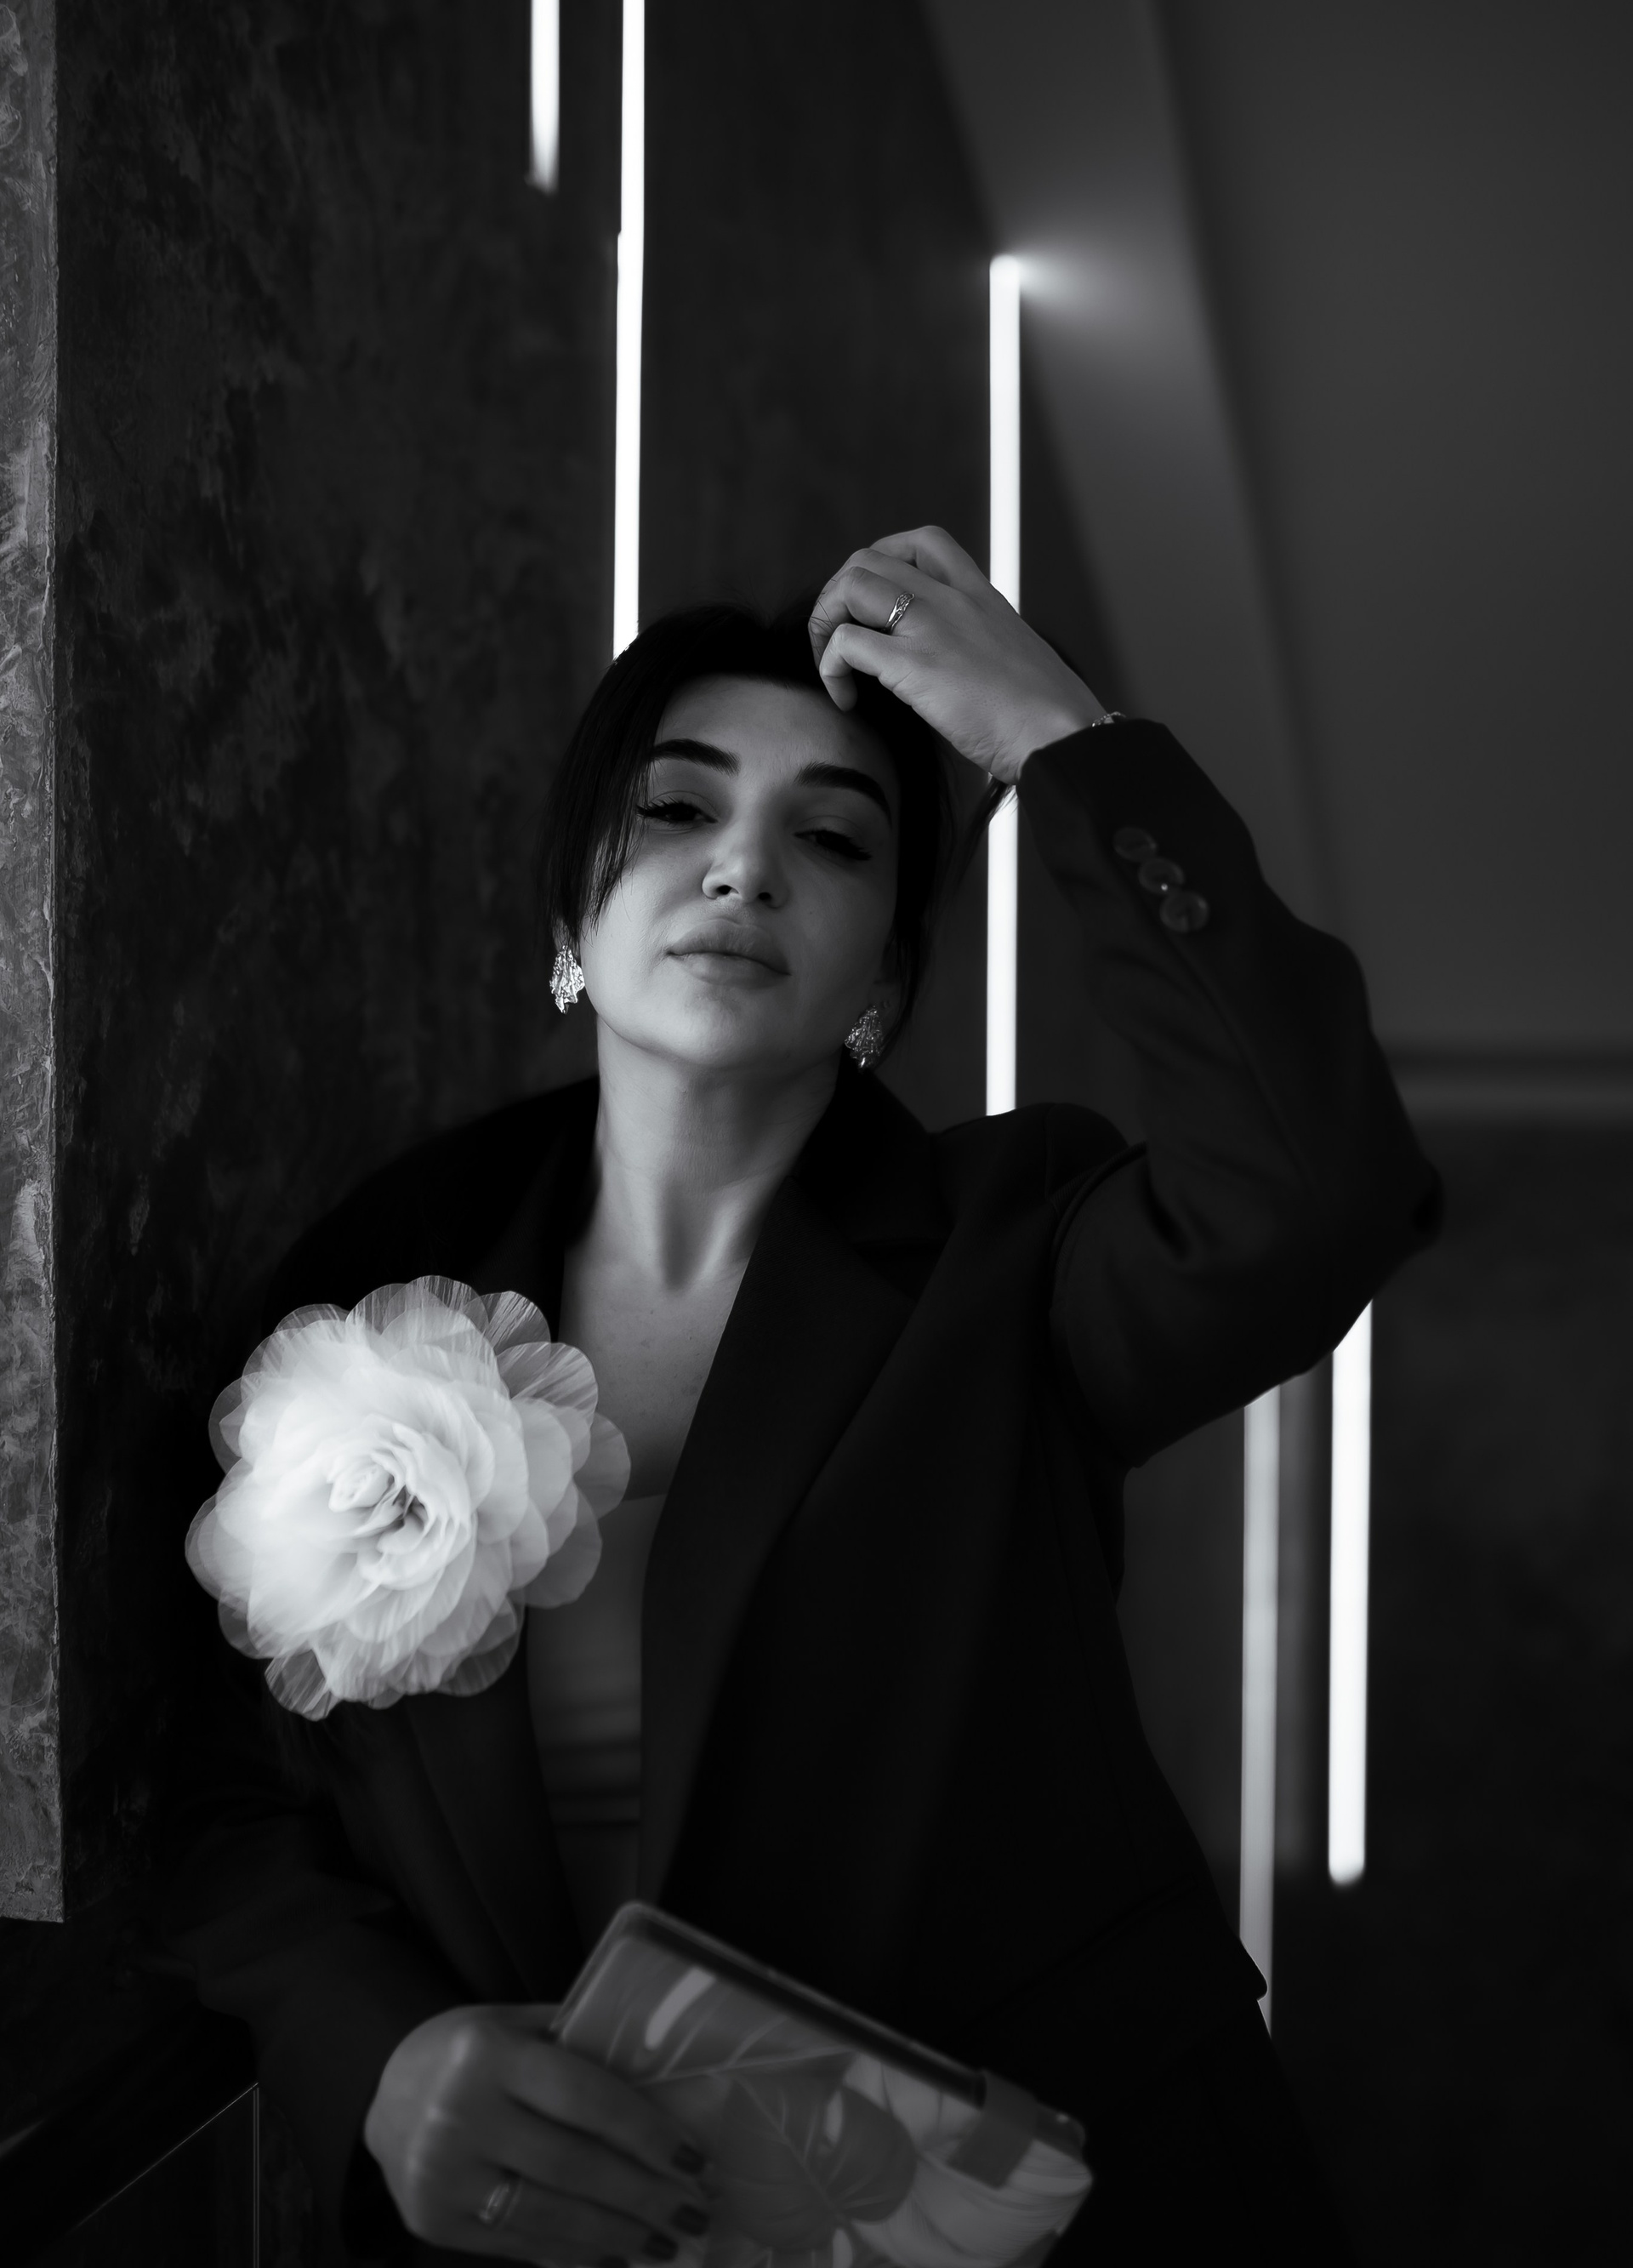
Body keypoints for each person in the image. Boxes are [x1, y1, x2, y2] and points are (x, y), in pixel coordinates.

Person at [166, 527, 1439, 2265]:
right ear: (569, 913)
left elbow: (1316, 1194)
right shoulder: (378, 1275)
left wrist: (1061, 744)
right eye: (676, 809)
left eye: (832, 837)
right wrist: (377, 2059)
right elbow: (220, 1792)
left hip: (1052, 2219)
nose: (744, 868)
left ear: (885, 984)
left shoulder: (1014, 1253)